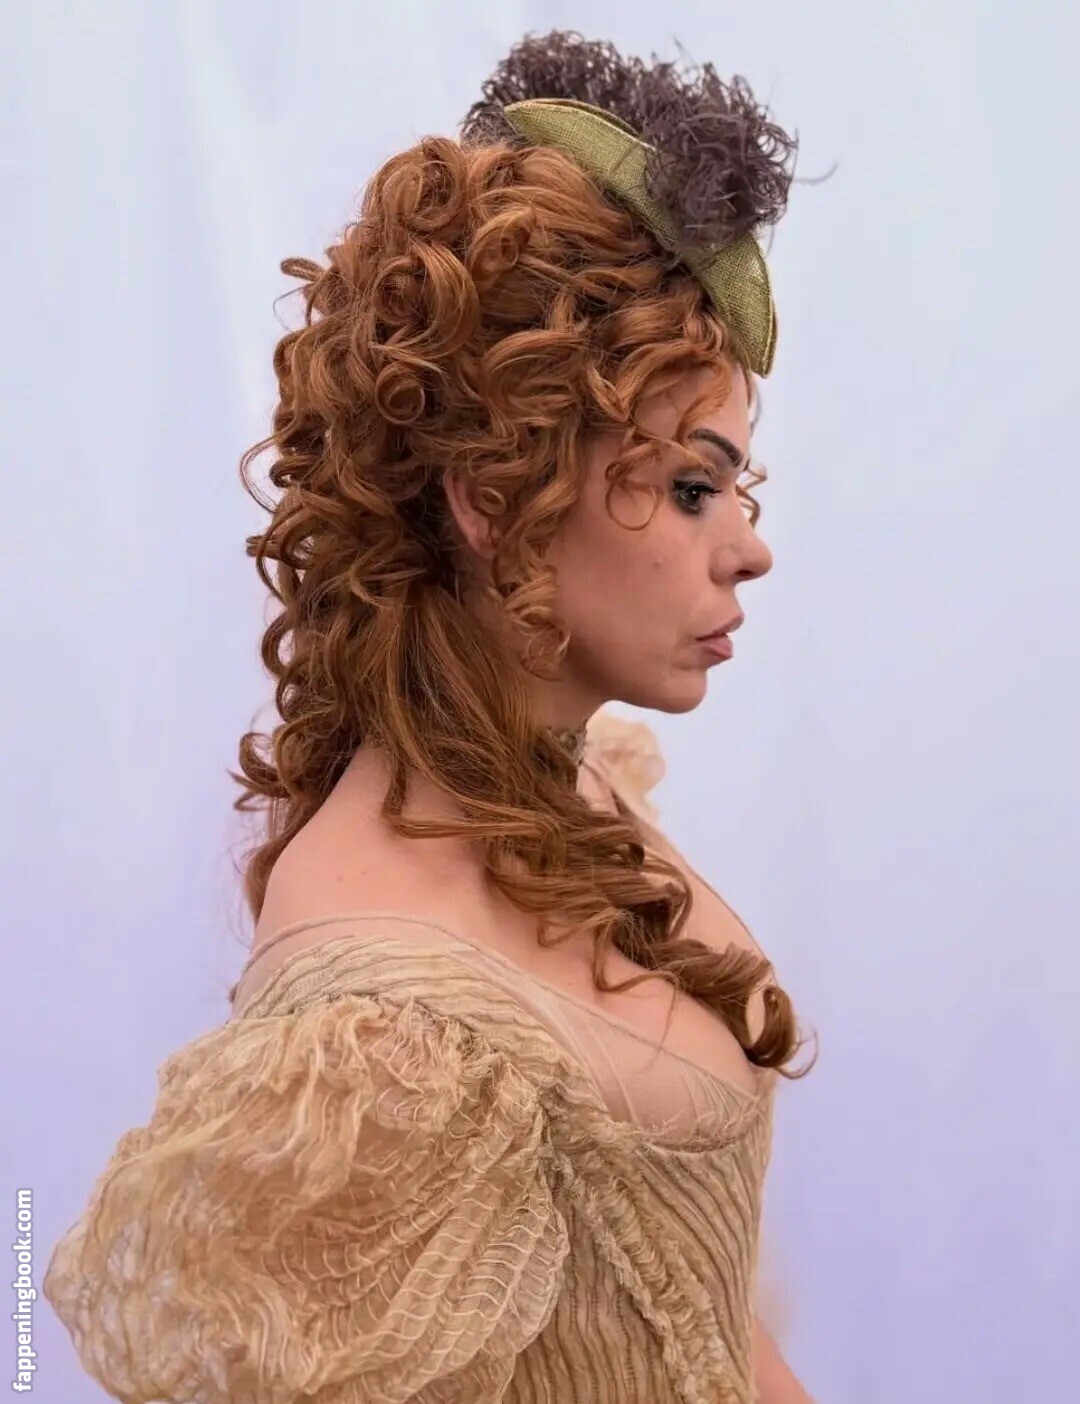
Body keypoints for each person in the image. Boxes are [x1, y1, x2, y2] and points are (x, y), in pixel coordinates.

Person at [44, 29, 818, 1403]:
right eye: (693, 487)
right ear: (490, 494)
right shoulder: (381, 1026)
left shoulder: (571, 786)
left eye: (738, 489)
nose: (748, 550)